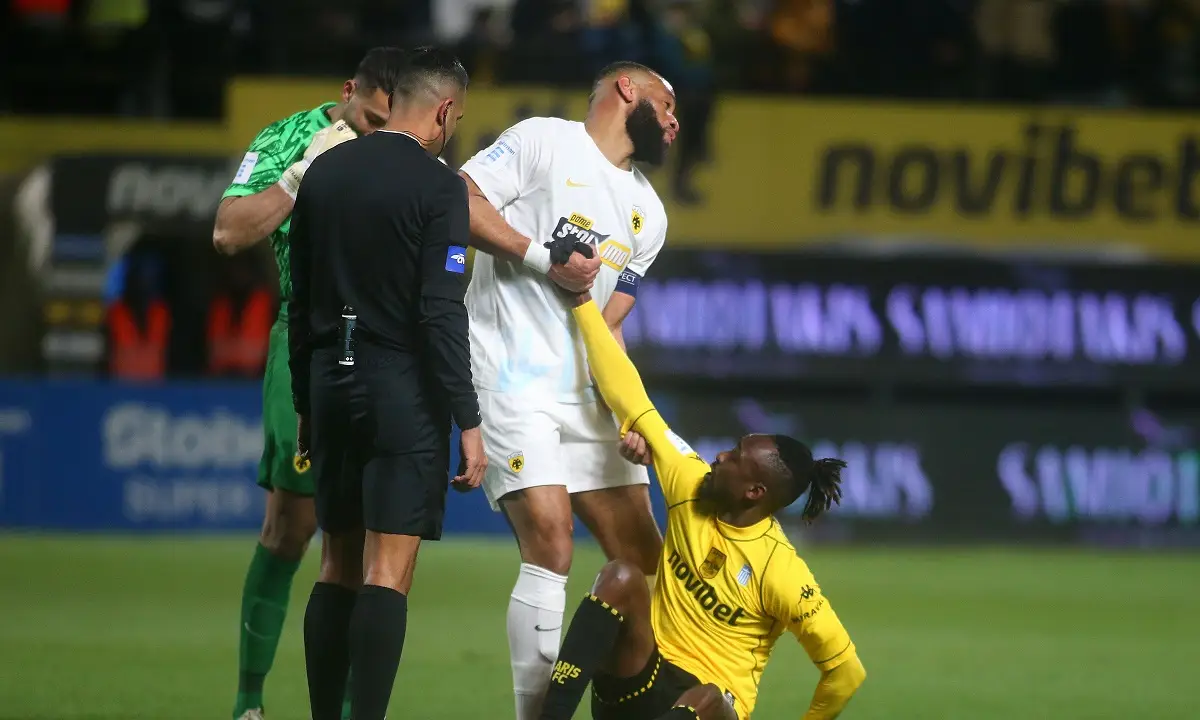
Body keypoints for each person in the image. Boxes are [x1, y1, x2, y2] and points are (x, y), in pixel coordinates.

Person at [457, 60, 679, 720]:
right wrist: (540, 257)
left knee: (647, 563)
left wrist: (630, 412)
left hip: (585, 394)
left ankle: (640, 710)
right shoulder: (543, 141)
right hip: (509, 376)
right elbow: (456, 199)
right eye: (668, 105)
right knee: (552, 543)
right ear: (627, 90)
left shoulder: (649, 213)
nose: (674, 122)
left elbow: (610, 328)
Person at [531, 287, 867, 720]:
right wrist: (581, 301)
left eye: (736, 458)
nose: (721, 456)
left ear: (754, 492)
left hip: (707, 709)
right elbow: (628, 394)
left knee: (707, 696)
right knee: (620, 576)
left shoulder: (780, 570)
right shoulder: (690, 480)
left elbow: (845, 672)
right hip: (641, 678)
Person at [212, 46, 409, 720]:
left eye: (391, 123)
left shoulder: (408, 147)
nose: (380, 133)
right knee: (290, 527)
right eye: (371, 119)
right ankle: (249, 703)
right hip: (310, 335)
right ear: (349, 91)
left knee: (371, 540)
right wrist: (300, 175)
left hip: (386, 346)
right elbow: (228, 231)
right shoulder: (289, 137)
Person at [286, 46, 484, 720]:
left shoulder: (324, 172)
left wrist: (305, 402)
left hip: (329, 381)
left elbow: (298, 297)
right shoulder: (440, 187)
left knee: (335, 563)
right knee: (386, 572)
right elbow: (440, 311)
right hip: (401, 390)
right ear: (445, 111)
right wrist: (468, 417)